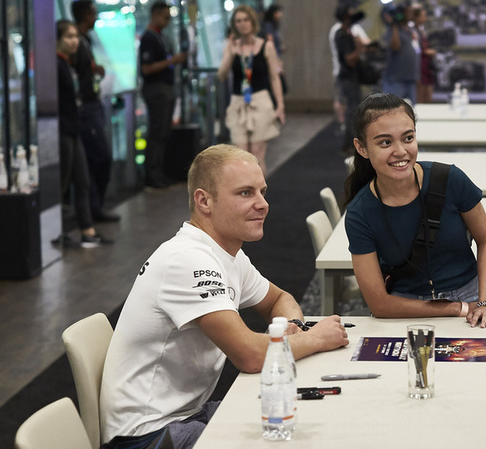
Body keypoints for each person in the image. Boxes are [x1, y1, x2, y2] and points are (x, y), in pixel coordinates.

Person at [99, 144, 349, 449]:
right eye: (245, 193)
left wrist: (291, 328)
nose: (263, 204)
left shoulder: (226, 253)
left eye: (262, 191)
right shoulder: (188, 259)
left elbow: (278, 299)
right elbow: (250, 355)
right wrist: (315, 339)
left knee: (305, 424)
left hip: (188, 416)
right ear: (204, 201)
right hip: (148, 436)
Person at [343, 93, 486, 328]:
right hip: (405, 311)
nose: (401, 151)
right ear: (361, 148)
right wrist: (457, 308)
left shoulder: (450, 179)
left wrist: (485, 302)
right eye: (385, 142)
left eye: (408, 138)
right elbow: (380, 305)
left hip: (472, 301)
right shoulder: (360, 212)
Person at [53, 20, 113, 249]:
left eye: (75, 36)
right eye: (69, 36)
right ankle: (57, 232)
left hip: (74, 130)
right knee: (63, 183)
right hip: (63, 131)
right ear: (58, 39)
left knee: (83, 181)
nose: (74, 40)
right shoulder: (57, 66)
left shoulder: (71, 64)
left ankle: (87, 230)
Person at [218, 5, 285, 177]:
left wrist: (280, 105)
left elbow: (274, 77)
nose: (242, 24)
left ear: (252, 21)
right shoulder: (231, 46)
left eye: (245, 20)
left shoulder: (266, 46)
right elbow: (222, 75)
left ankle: (259, 198)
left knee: (256, 154)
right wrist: (231, 54)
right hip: (238, 102)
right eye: (238, 21)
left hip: (260, 101)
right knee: (241, 156)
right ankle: (244, 196)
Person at [71, 0, 118, 222]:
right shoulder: (78, 44)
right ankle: (92, 209)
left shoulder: (86, 41)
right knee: (100, 157)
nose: (96, 16)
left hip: (93, 105)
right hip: (86, 110)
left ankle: (94, 208)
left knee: (94, 160)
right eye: (93, 13)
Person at [139, 1, 186, 189]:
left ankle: (159, 172)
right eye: (165, 17)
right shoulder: (149, 38)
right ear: (155, 15)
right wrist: (171, 62)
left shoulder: (161, 37)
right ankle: (152, 174)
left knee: (163, 132)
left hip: (165, 87)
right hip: (156, 89)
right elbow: (147, 68)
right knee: (157, 132)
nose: (167, 21)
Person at [329, 4, 370, 134]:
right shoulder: (341, 34)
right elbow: (349, 59)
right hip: (346, 75)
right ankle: (350, 140)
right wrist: (359, 48)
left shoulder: (345, 32)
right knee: (352, 108)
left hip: (349, 75)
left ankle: (351, 139)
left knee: (353, 106)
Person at [382, 4, 420, 104]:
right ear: (402, 14)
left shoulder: (410, 30)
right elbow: (395, 46)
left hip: (410, 79)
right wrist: (394, 24)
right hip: (396, 80)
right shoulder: (393, 29)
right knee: (393, 111)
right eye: (409, 12)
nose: (411, 14)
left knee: (411, 114)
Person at [260, 3, 288, 96]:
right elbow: (270, 41)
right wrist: (277, 59)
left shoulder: (273, 25)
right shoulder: (268, 25)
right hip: (272, 57)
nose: (280, 14)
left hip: (276, 54)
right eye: (278, 12)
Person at [413, 6, 436, 104]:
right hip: (419, 67)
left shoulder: (422, 30)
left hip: (427, 66)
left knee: (428, 97)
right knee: (420, 96)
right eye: (423, 16)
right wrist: (426, 52)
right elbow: (414, 49)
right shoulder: (412, 31)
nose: (425, 19)